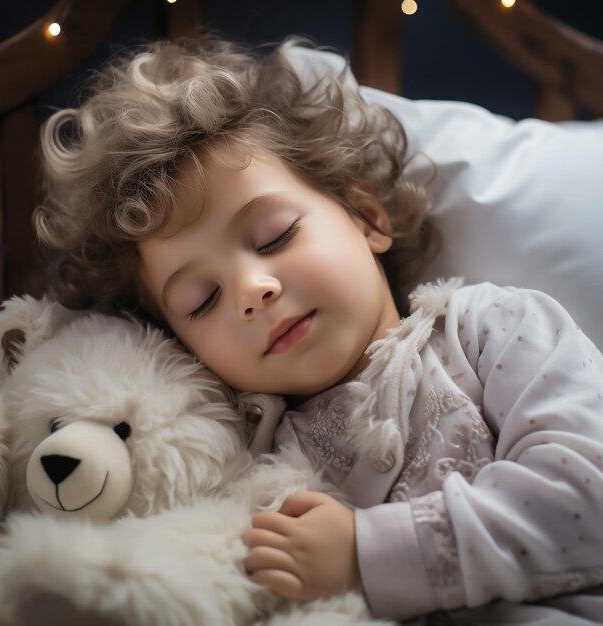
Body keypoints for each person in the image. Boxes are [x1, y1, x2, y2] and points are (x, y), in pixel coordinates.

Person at [35, 36, 603, 624]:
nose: (252, 292)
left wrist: (367, 551)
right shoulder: (250, 449)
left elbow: (589, 493)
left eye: (275, 236)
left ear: (366, 217)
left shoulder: (491, 329)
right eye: (203, 300)